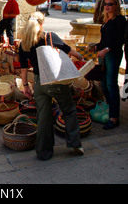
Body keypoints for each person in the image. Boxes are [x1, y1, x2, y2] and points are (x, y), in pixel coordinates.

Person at [19, 11, 84, 160]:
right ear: (42, 24)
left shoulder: (24, 43)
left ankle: (43, 152)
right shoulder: (49, 36)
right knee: (69, 110)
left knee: (43, 117)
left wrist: (25, 86)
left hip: (38, 82)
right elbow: (68, 50)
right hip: (54, 81)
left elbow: (23, 68)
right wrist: (81, 57)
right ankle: (75, 143)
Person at [91, 0, 126, 129]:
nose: (107, 6)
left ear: (116, 6)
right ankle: (111, 109)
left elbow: (119, 39)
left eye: (110, 4)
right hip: (104, 55)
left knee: (111, 84)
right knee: (104, 84)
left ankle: (114, 117)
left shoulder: (120, 20)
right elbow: (104, 39)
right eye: (105, 4)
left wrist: (106, 49)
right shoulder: (106, 20)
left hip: (113, 54)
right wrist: (97, 46)